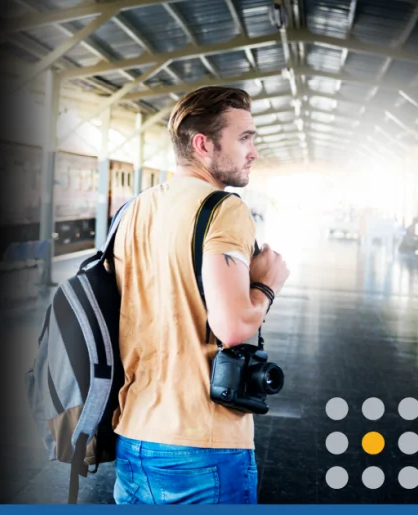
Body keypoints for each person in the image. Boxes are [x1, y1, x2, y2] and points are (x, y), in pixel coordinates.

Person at [110, 86, 291, 504]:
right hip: (202, 444)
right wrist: (266, 285)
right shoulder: (223, 208)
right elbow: (231, 328)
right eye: (244, 138)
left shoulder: (133, 210)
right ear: (203, 144)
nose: (254, 151)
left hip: (133, 438)